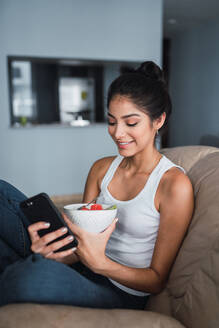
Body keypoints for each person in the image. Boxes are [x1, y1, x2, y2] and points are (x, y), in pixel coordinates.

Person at [0, 61, 194, 309]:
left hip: (121, 290)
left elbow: (156, 280)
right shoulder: (102, 169)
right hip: (81, 264)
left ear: (158, 120)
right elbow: (79, 240)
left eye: (131, 123)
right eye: (112, 122)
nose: (118, 133)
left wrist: (99, 264)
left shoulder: (173, 185)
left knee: (31, 278)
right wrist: (54, 254)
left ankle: (25, 268)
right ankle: (32, 262)